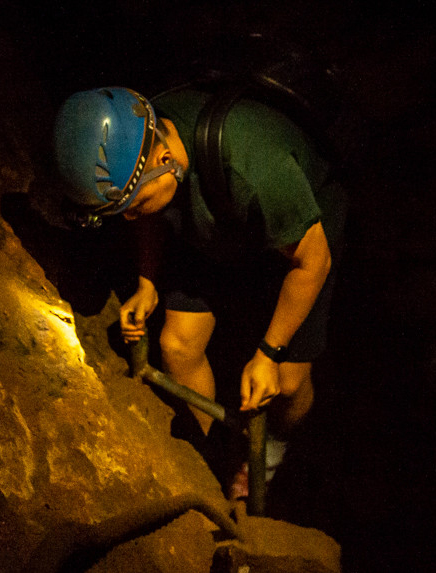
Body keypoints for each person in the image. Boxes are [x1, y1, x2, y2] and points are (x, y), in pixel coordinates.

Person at [53, 86, 346, 497]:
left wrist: (268, 352)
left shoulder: (252, 168)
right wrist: (147, 283)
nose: (133, 218)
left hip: (301, 224)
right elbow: (145, 216)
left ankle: (274, 447)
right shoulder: (150, 144)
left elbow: (311, 262)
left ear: (166, 160)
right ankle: (207, 458)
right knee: (176, 345)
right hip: (219, 211)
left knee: (288, 382)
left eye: (135, 207)